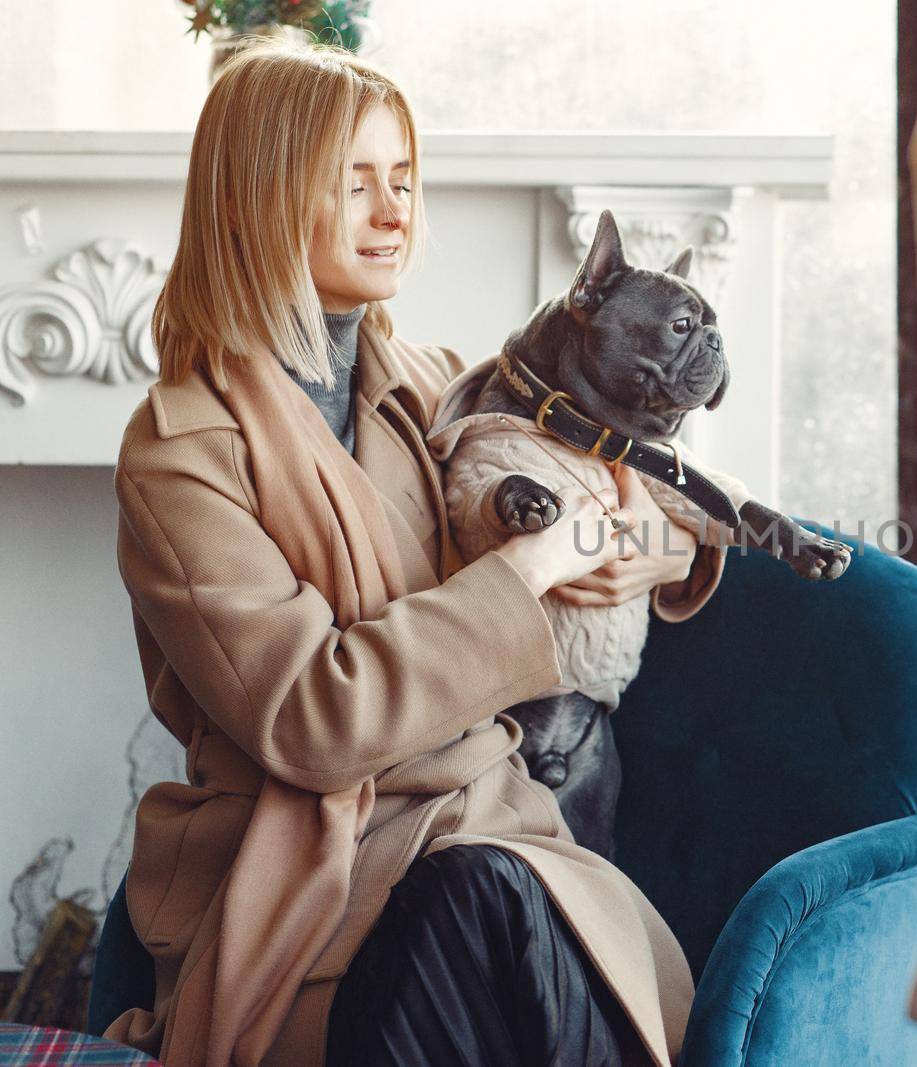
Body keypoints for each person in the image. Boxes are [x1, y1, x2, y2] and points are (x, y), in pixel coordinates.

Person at [105, 39, 718, 1067]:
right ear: (260, 200)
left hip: (492, 822)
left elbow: (653, 489)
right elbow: (312, 714)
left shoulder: (443, 388)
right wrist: (523, 572)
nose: (395, 211)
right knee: (485, 908)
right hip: (307, 868)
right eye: (354, 183)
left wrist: (650, 552)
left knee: (499, 901)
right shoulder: (180, 453)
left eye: (401, 178)